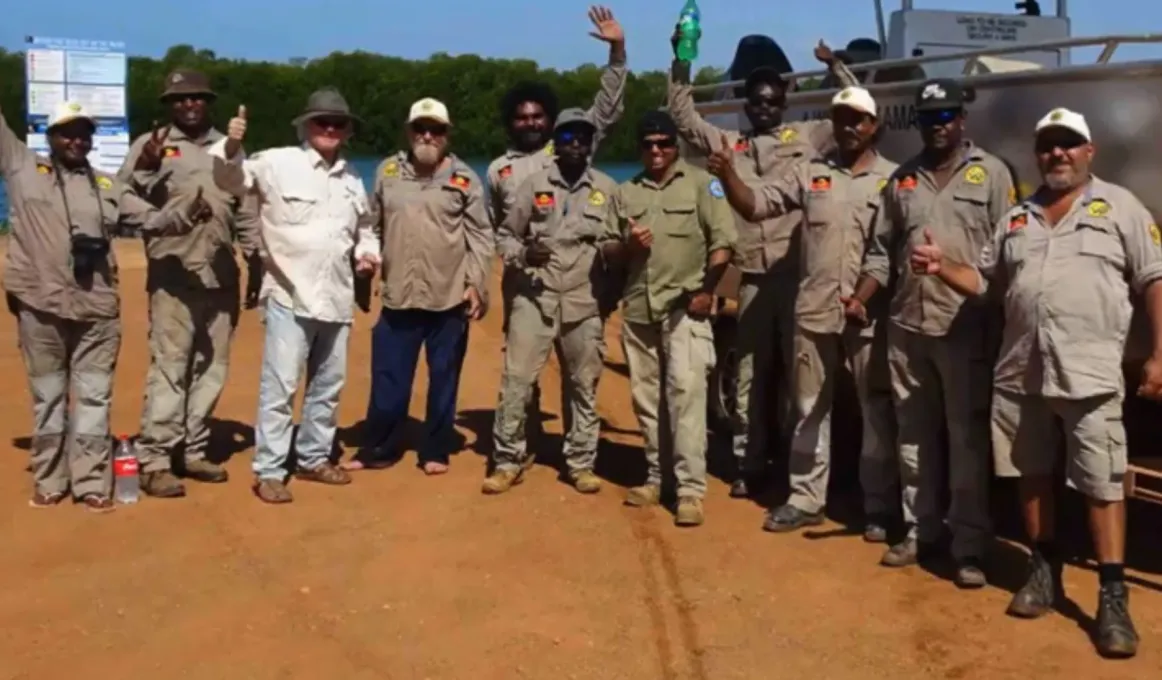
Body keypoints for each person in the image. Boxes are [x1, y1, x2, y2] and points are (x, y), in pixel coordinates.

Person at [909, 107, 1162, 659]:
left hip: (1089, 372)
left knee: (1102, 482)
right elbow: (984, 280)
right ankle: (1043, 570)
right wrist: (940, 265)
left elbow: (1153, 278)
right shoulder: (1017, 218)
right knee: (1030, 474)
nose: (1057, 155)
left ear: (1089, 151)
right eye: (1047, 146)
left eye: (1068, 144)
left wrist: (1160, 355)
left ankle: (1112, 595)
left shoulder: (1119, 206)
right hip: (1022, 370)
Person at [668, 37, 858, 499]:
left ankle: (796, 469)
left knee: (801, 380)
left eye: (773, 101)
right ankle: (748, 464)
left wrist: (835, 66)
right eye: (757, 101)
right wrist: (682, 59)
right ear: (746, 106)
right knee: (750, 377)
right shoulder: (727, 143)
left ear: (784, 104)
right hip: (751, 278)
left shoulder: (810, 136)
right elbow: (681, 115)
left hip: (797, 277)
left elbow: (855, 113)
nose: (765, 107)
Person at [706, 87, 899, 539]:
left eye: (858, 119)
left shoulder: (891, 181)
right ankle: (805, 499)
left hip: (866, 316)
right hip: (813, 312)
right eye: (840, 118)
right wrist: (730, 175)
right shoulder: (809, 173)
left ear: (873, 126)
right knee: (809, 408)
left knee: (875, 411)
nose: (848, 127)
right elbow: (757, 205)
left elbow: (890, 251)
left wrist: (865, 298)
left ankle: (879, 506)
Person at [1, 101, 210, 511]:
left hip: (97, 311)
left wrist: (189, 210)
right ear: (51, 137)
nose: (76, 141)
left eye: (83, 134)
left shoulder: (108, 187)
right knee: (49, 396)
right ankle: (50, 478)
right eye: (67, 133)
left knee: (95, 398)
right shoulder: (23, 169)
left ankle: (92, 481)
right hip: (41, 305)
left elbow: (155, 220)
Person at [855, 79, 1015, 588]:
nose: (938, 124)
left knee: (967, 439)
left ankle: (968, 544)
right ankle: (919, 529)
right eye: (928, 117)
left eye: (946, 115)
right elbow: (881, 249)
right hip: (906, 325)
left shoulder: (991, 175)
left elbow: (1009, 255)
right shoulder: (902, 179)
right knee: (913, 435)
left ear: (962, 120)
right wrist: (862, 297)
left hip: (963, 327)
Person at [209, 89, 381, 504]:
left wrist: (367, 255)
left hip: (337, 296)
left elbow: (365, 230)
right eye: (322, 122)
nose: (329, 129)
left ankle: (314, 457)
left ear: (347, 131)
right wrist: (231, 145)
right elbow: (230, 179)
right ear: (306, 125)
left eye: (338, 124)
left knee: (328, 384)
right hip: (289, 294)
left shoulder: (353, 178)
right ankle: (269, 469)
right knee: (281, 385)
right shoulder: (276, 162)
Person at [486, 5, 627, 456]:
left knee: (580, 373)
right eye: (522, 117)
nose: (531, 123)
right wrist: (519, 257)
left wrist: (618, 53)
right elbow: (496, 229)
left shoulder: (569, 146)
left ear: (550, 121)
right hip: (525, 286)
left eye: (537, 116)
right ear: (511, 121)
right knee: (520, 373)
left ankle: (576, 455)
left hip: (579, 287)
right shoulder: (500, 171)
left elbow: (604, 109)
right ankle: (519, 448)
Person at [116, 69, 262, 498]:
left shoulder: (228, 147)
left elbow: (246, 205)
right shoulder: (152, 145)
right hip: (172, 274)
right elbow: (121, 197)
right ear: (169, 105)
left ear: (208, 101)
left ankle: (192, 449)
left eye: (197, 98)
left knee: (212, 367)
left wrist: (255, 259)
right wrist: (147, 173)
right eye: (180, 100)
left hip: (220, 274)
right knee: (170, 367)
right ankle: (156, 459)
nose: (189, 105)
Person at [342, 98, 492, 476]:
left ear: (447, 134)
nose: (428, 135)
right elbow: (370, 226)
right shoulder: (387, 172)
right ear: (409, 132)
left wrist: (476, 285)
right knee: (388, 378)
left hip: (448, 298)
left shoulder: (464, 179)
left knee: (444, 379)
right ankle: (379, 447)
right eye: (421, 128)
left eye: (436, 129)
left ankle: (436, 449)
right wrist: (365, 258)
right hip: (399, 296)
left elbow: (480, 236)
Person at [601, 111, 736, 527]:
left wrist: (707, 290)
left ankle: (690, 490)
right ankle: (658, 478)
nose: (656, 151)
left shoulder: (701, 184)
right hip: (640, 309)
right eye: (648, 143)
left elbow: (724, 241)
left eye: (664, 142)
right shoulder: (625, 193)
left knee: (687, 397)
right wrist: (627, 246)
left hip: (685, 309)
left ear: (676, 145)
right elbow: (606, 251)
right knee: (647, 399)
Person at [484, 108, 619, 494]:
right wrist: (524, 255)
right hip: (536, 296)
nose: (576, 144)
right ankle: (507, 460)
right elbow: (505, 236)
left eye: (583, 137)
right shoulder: (533, 185)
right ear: (554, 144)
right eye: (567, 137)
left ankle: (580, 462)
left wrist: (608, 297)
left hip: (584, 299)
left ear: (591, 144)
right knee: (517, 382)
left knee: (583, 384)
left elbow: (619, 248)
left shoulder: (607, 189)